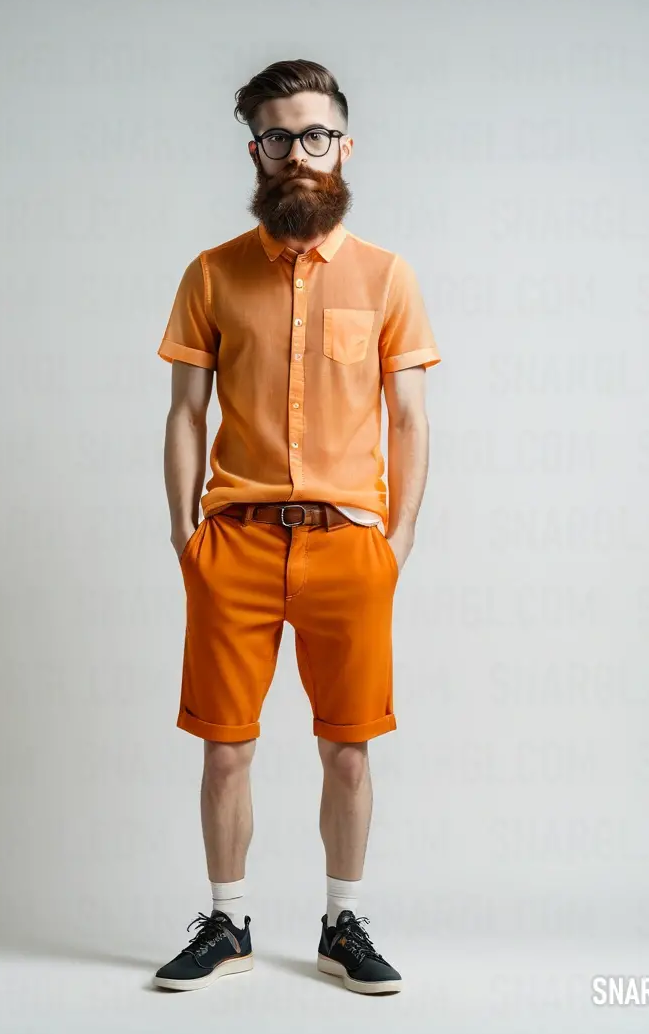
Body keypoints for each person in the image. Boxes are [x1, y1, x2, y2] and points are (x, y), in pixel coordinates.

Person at [152, 59, 441, 994]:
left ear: (345, 147)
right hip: (232, 541)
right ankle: (227, 921)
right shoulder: (211, 273)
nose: (300, 153)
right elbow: (186, 412)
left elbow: (409, 419)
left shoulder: (388, 277)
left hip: (348, 543)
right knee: (224, 744)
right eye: (280, 136)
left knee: (346, 746)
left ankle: (342, 922)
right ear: (257, 152)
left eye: (317, 134)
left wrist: (392, 548)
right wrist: (182, 534)